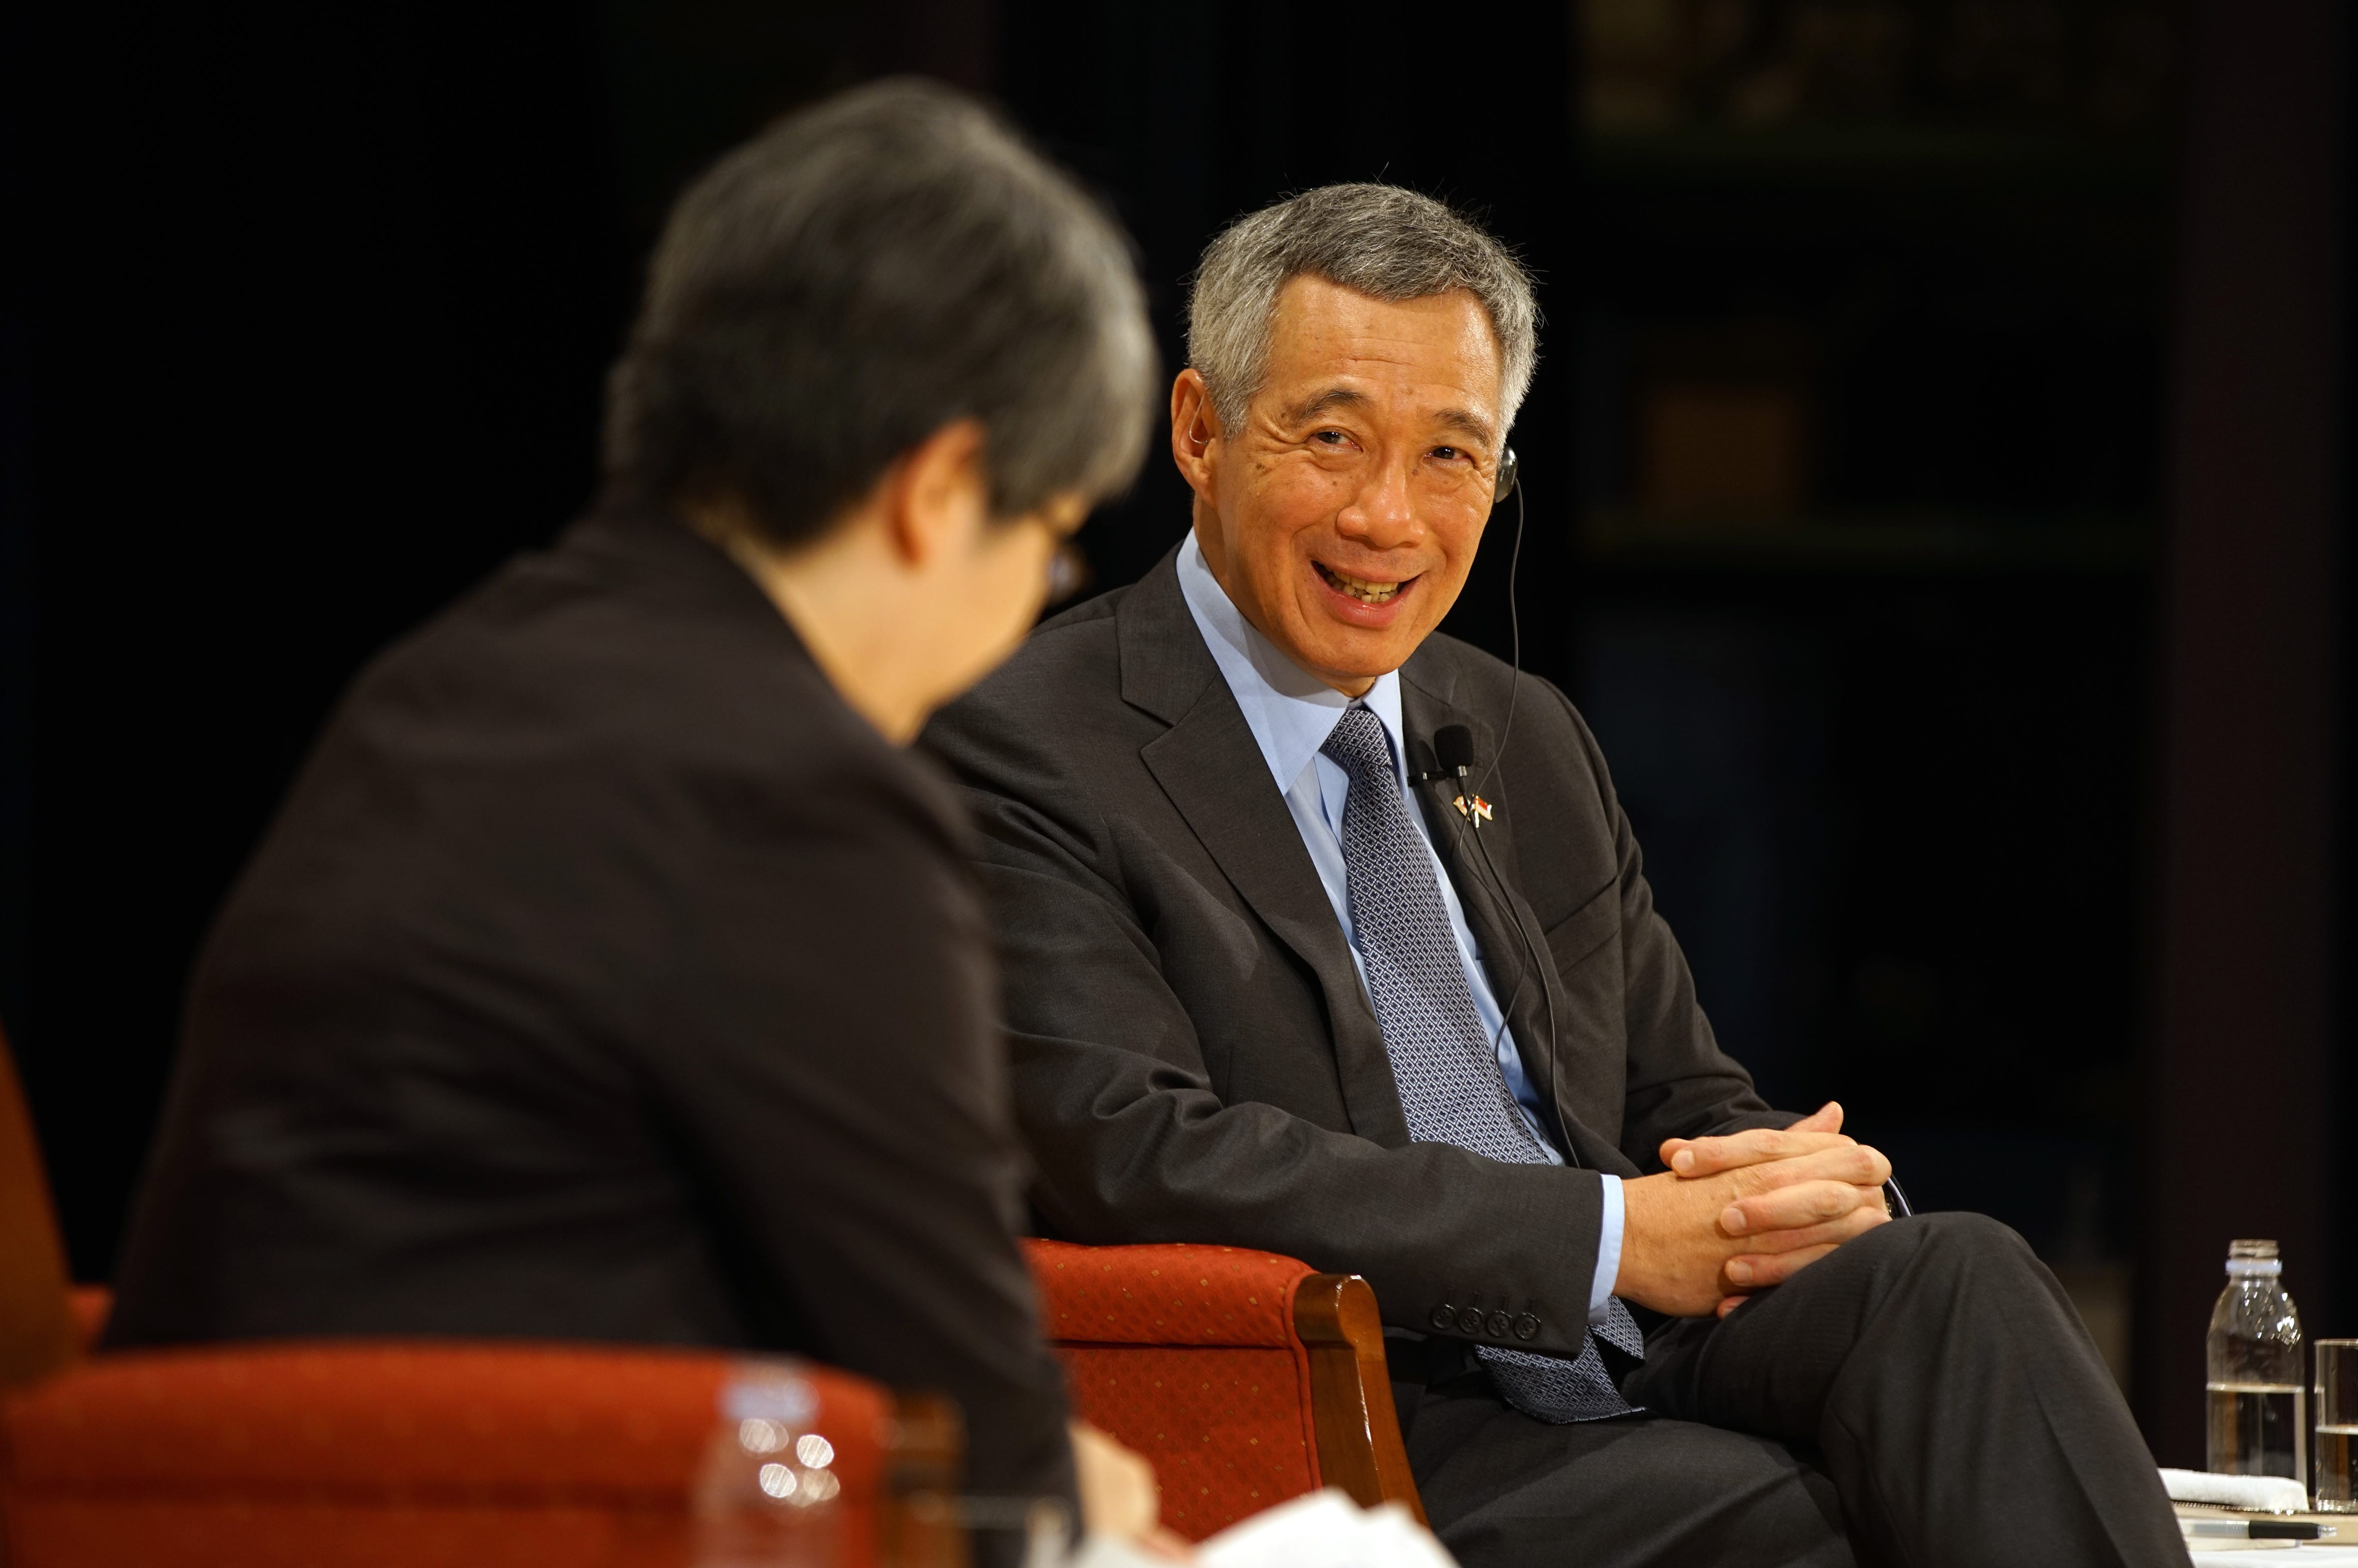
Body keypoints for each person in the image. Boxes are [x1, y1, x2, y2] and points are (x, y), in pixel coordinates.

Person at [920, 184, 2185, 1567]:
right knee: (1847, 1522)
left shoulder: (1518, 732)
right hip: (1377, 1400)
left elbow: (1671, 1094)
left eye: (1451, 456)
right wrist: (1604, 1242)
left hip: (1638, 1353)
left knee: (1955, 1270)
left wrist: (1790, 1188)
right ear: (1200, 432)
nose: (1387, 518)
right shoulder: (1031, 741)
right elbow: (1137, 1153)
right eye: (1330, 439)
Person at [105, 80, 1165, 1547]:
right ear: (939, 490)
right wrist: (1065, 1477)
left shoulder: (454, 675)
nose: (1028, 609)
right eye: (1048, 549)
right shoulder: (800, 793)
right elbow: (978, 1442)